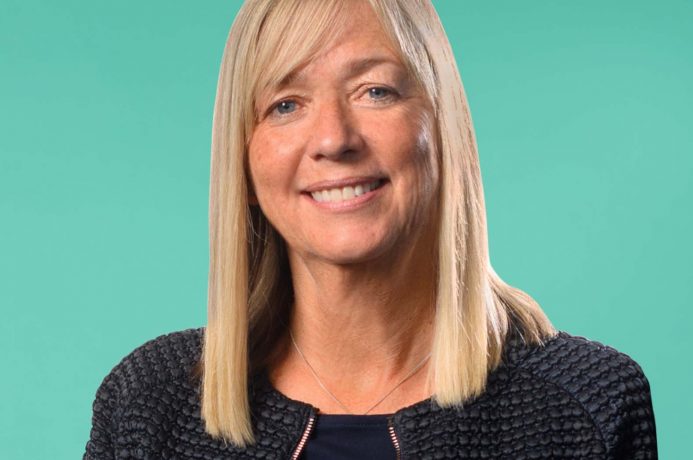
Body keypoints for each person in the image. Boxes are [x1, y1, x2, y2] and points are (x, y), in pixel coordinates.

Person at [84, 0, 658, 458]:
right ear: (245, 160)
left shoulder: (589, 403)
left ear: (443, 128)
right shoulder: (148, 405)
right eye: (286, 104)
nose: (334, 139)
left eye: (375, 91)